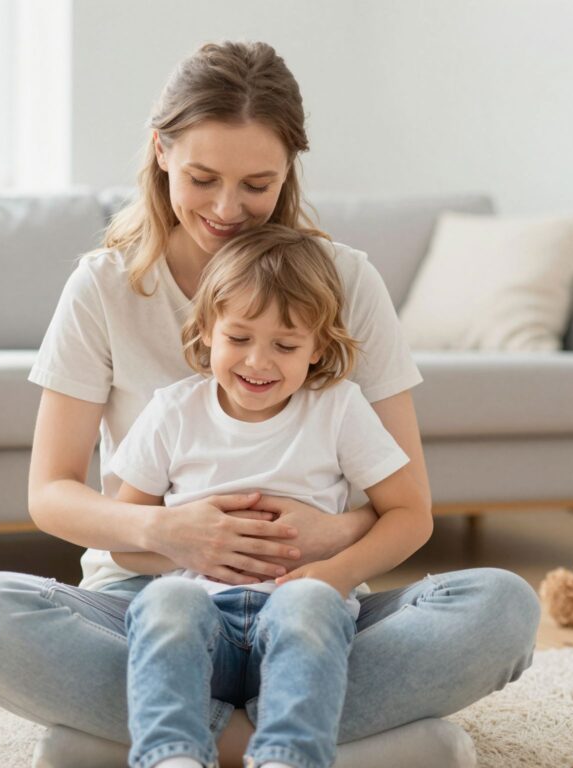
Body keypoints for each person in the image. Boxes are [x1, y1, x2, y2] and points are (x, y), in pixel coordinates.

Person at [0, 40, 540, 768]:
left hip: (310, 611)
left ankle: (145, 738)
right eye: (202, 179)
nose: (228, 209)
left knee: (503, 607)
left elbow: (406, 503)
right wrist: (171, 532)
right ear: (161, 151)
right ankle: (343, 745)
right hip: (150, 604)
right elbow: (51, 494)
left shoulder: (346, 281)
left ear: (289, 170)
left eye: (258, 184)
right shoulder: (102, 287)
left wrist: (325, 540)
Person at [111, 225, 432, 768]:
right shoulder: (172, 410)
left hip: (303, 626)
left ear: (318, 347)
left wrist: (335, 574)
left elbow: (410, 515)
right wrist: (183, 546)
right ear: (207, 329)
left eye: (285, 346)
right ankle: (171, 756)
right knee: (167, 601)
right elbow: (124, 542)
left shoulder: (338, 407)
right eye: (239, 339)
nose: (258, 362)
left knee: (315, 603)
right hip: (201, 628)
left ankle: (287, 756)